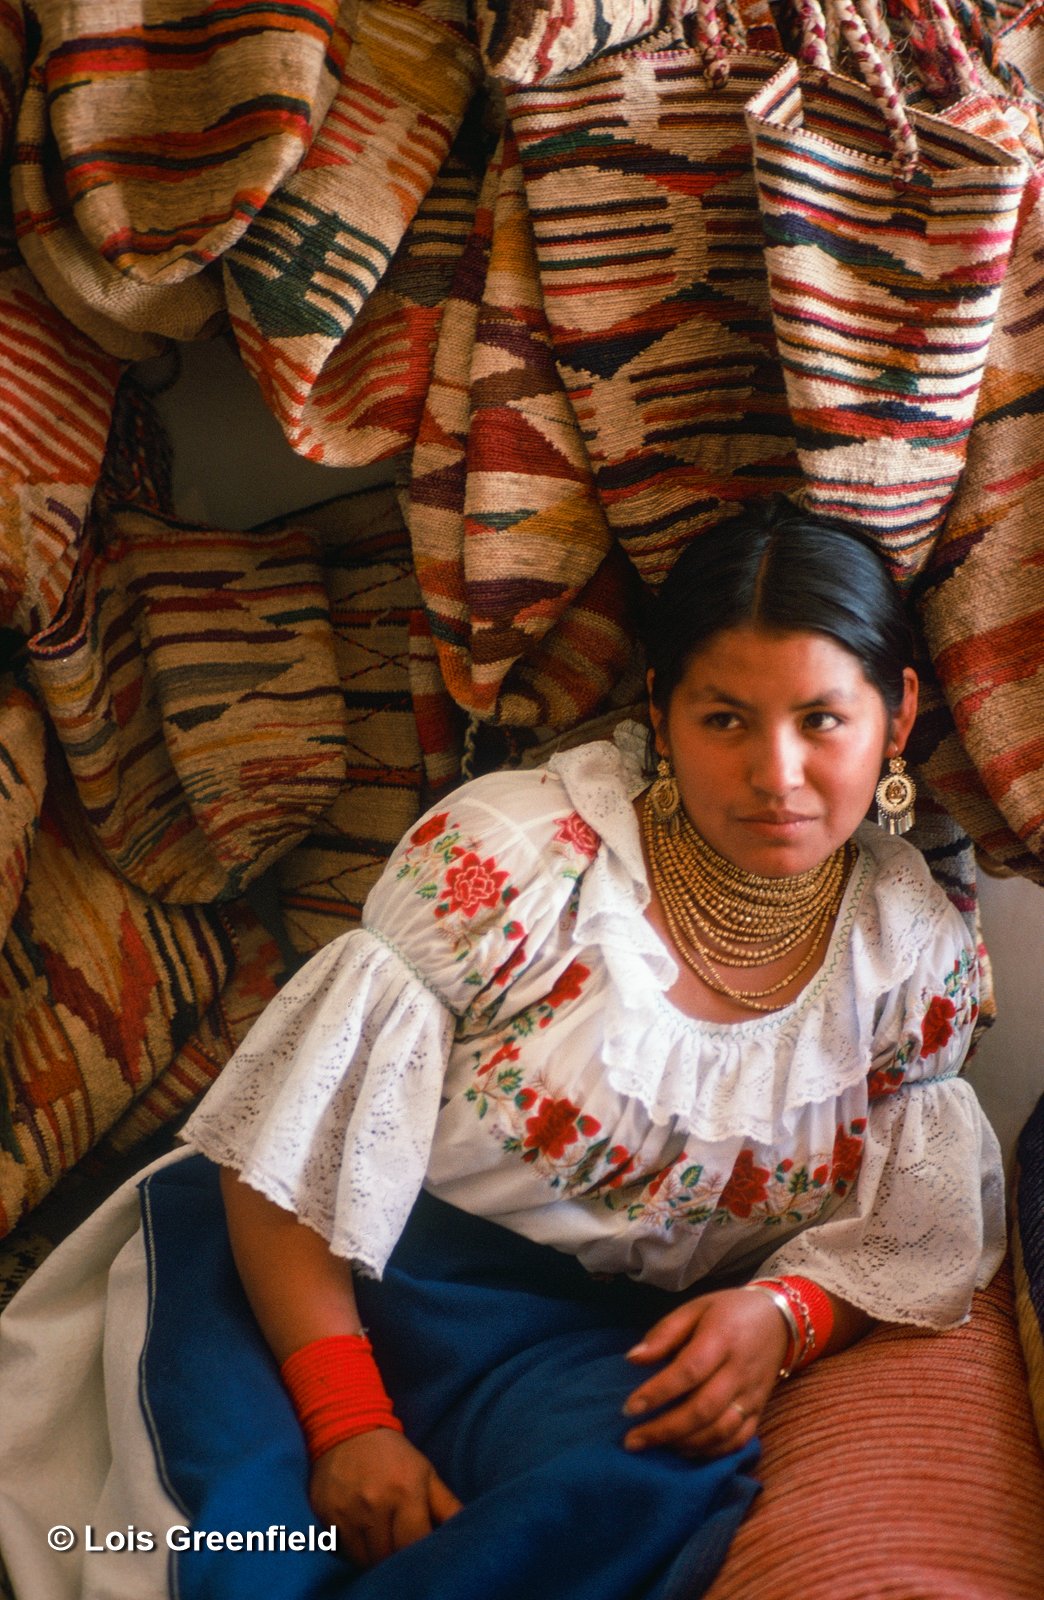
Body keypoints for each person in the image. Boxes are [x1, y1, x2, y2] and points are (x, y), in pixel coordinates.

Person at [0, 496, 1005, 1600]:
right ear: (662, 716)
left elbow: (916, 1231)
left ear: (898, 715)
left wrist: (785, 1315)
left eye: (823, 719)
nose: (776, 772)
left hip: (572, 1347)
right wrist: (346, 1422)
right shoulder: (520, 860)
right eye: (726, 718)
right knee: (249, 1558)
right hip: (311, 1265)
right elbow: (291, 1146)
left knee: (655, 1489)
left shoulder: (909, 961)